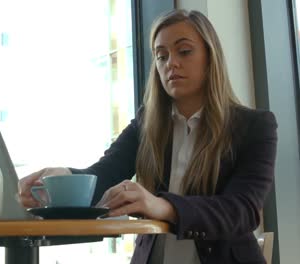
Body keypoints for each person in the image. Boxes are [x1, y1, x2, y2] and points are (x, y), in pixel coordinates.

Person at [18, 9, 277, 264]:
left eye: (184, 51)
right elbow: (104, 175)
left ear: (211, 58)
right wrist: (63, 178)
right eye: (161, 56)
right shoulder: (146, 124)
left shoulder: (254, 126)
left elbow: (241, 210)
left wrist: (162, 206)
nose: (171, 63)